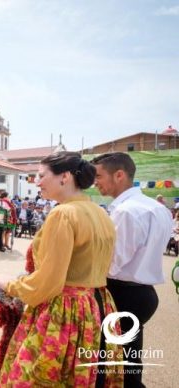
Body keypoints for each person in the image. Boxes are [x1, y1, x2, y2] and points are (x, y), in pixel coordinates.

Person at [0, 151, 123, 386]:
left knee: (37, 377)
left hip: (64, 311)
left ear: (64, 177)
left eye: (42, 175)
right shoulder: (100, 213)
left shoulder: (63, 214)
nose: (37, 181)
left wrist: (9, 285)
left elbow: (48, 283)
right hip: (96, 307)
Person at [92, 152, 173, 387]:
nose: (95, 182)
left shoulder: (126, 211)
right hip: (143, 293)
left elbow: (112, 263)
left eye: (98, 176)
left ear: (119, 175)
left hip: (121, 293)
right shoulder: (157, 208)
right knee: (130, 362)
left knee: (104, 362)